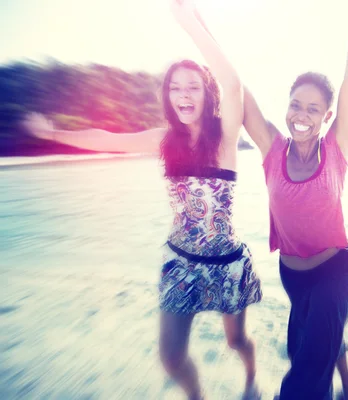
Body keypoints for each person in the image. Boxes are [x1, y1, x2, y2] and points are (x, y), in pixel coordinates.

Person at [22, 1, 263, 399]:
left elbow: (233, 84)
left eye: (193, 86)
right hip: (180, 263)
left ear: (207, 94)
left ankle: (252, 379)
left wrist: (190, 25)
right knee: (170, 356)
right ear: (168, 96)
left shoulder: (224, 137)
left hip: (226, 262)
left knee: (236, 341)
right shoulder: (163, 140)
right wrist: (53, 134)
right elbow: (108, 141)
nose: (184, 94)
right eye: (176, 87)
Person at [238, 0, 348, 398]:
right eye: (295, 105)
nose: (301, 115)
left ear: (327, 116)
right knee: (306, 346)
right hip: (293, 277)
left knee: (308, 368)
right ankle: (347, 373)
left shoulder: (336, 149)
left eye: (313, 109)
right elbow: (237, 90)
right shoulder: (272, 149)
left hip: (337, 271)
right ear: (287, 106)